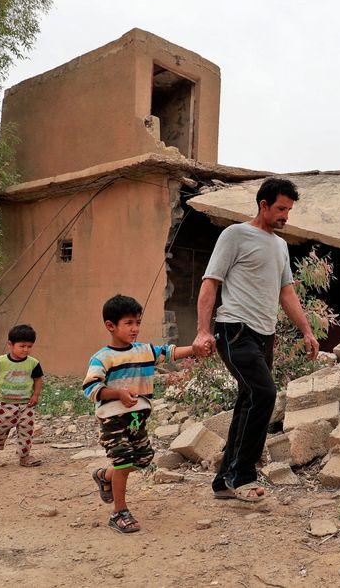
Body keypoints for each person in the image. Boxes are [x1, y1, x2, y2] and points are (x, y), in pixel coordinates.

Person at [193, 177, 320, 503]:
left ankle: (223, 481)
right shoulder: (235, 235)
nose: (285, 216)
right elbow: (210, 284)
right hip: (234, 330)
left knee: (249, 400)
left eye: (289, 210)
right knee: (264, 393)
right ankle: (243, 475)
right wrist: (203, 331)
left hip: (265, 336)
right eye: (281, 208)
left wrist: (307, 331)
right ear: (263, 205)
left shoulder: (279, 245)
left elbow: (287, 292)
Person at [83, 294, 195, 533]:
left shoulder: (145, 350)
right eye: (128, 323)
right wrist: (118, 394)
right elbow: (91, 388)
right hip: (113, 419)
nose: (135, 329)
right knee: (123, 459)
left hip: (137, 417)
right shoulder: (103, 357)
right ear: (110, 326)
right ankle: (119, 512)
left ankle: (105, 475)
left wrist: (194, 349)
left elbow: (169, 352)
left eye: (138, 323)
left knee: (143, 459)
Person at [0, 324, 45, 467]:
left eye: (29, 346)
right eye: (22, 346)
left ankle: (24, 457)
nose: (26, 350)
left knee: (26, 432)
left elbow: (38, 379)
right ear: (10, 344)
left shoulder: (33, 363)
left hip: (25, 405)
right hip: (5, 404)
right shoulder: (0, 361)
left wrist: (36, 395)